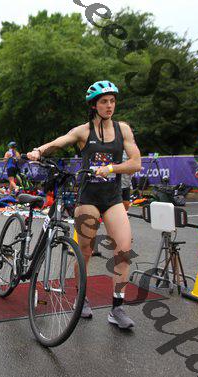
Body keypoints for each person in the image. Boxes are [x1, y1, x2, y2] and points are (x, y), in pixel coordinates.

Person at [27, 80, 142, 328]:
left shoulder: (123, 129)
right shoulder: (83, 131)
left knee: (123, 249)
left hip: (112, 198)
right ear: (94, 105)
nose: (109, 105)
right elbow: (60, 141)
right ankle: (81, 297)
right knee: (85, 251)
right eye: (104, 101)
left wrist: (111, 168)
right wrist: (39, 150)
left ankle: (117, 308)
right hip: (88, 197)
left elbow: (135, 163)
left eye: (112, 101)